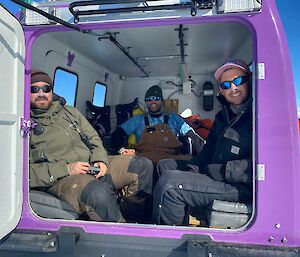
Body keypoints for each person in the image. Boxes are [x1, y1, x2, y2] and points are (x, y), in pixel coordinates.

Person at [29, 70, 153, 222]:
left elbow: (94, 138)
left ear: (52, 91)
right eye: (34, 89)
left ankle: (133, 220)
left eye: (46, 88)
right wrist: (66, 169)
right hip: (62, 178)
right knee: (98, 194)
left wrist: (100, 160)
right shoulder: (23, 124)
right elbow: (23, 173)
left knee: (142, 165)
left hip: (91, 165)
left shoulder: (69, 112)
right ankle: (121, 233)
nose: (41, 93)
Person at [152, 60, 253, 225]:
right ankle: (176, 218)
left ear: (249, 80)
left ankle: (171, 240)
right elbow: (209, 148)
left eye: (238, 81)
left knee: (169, 185)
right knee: (164, 165)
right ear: (221, 90)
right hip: (215, 174)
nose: (233, 88)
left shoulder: (258, 115)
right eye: (226, 85)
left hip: (239, 187)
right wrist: (194, 167)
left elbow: (265, 164)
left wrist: (223, 171)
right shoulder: (223, 116)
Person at [112, 85, 203, 164]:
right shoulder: (138, 119)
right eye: (149, 99)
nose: (153, 102)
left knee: (191, 162)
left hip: (171, 158)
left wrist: (201, 156)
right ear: (146, 102)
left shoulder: (174, 118)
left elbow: (192, 135)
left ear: (161, 101)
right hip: (144, 159)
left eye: (156, 98)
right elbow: (118, 134)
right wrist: (121, 149)